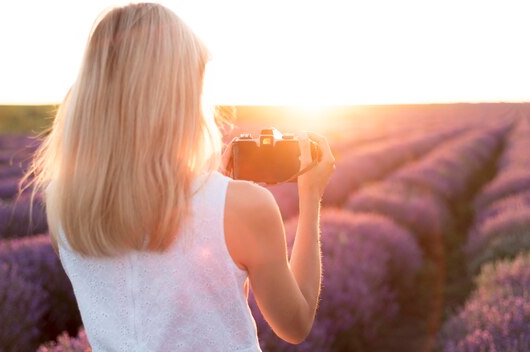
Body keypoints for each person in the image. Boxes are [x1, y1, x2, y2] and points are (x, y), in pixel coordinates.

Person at [23, 3, 335, 351]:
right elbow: (295, 322)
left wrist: (215, 190)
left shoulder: (64, 204)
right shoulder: (245, 208)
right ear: (177, 96)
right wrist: (311, 198)